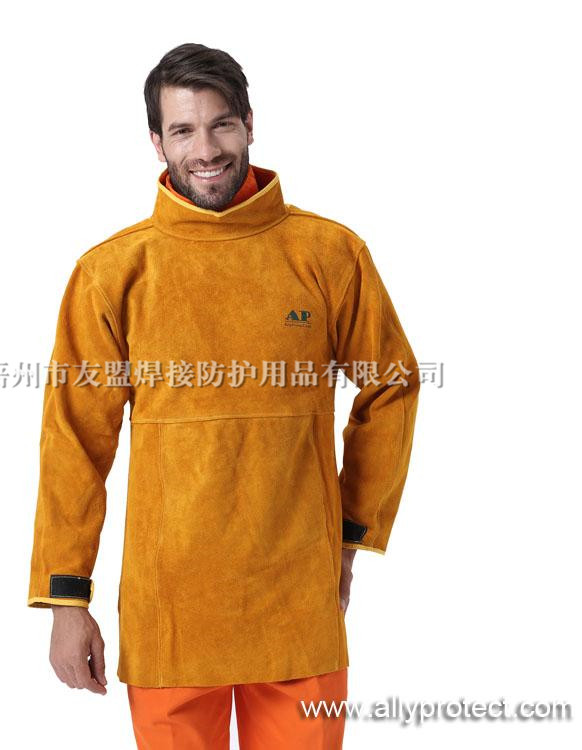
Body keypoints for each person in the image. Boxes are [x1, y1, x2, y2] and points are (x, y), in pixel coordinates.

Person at [27, 42, 420, 749]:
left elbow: (391, 384)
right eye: (183, 130)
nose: (205, 150)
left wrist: (349, 537)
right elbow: (74, 441)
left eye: (221, 125)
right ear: (157, 141)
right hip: (169, 612)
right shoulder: (112, 272)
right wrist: (66, 598)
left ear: (249, 125)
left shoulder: (329, 254)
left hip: (298, 602)